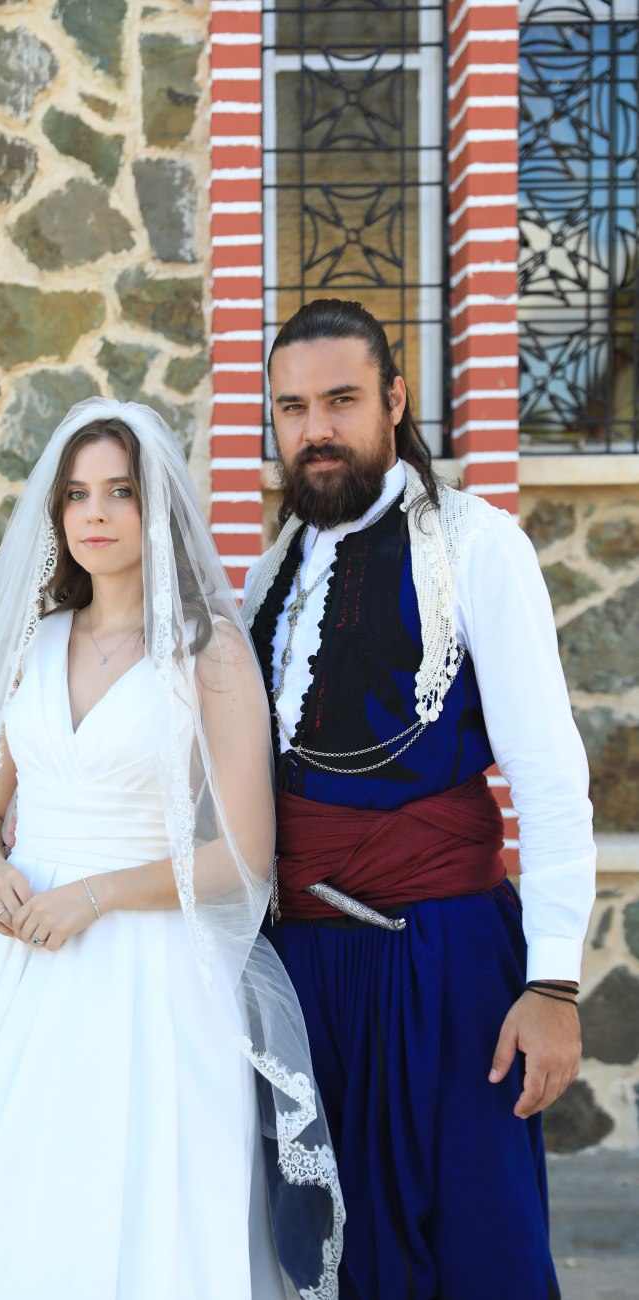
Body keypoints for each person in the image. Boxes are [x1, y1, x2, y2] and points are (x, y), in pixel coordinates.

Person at [0, 400, 343, 1300]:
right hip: (8, 955)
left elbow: (244, 859)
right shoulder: (34, 644)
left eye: (119, 491)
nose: (95, 514)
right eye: (76, 495)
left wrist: (95, 895)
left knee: (109, 1199)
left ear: (156, 508)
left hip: (147, 970)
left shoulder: (210, 654)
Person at [242, 300, 596, 1300]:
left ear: (395, 401)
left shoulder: (479, 545)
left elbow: (548, 774)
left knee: (481, 1252)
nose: (316, 429)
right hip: (301, 975)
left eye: (342, 400)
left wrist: (553, 986)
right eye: (292, 408)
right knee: (335, 1259)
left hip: (446, 958)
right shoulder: (266, 577)